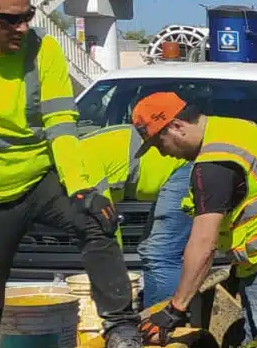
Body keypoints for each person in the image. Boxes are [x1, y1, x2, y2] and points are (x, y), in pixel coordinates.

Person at [0, 0, 146, 348]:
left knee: (96, 220)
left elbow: (61, 124)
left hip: (38, 179)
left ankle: (122, 332)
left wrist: (81, 188)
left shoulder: (42, 51)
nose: (23, 27)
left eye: (27, 15)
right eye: (11, 20)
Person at [131, 93, 257, 344]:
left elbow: (204, 242)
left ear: (177, 127)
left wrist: (175, 308)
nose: (163, 154)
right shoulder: (232, 127)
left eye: (160, 144)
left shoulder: (215, 164)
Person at [78, 124, 193, 308]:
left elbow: (106, 226)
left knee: (160, 254)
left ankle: (165, 324)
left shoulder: (80, 166)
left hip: (182, 167)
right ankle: (152, 316)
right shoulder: (74, 159)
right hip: (172, 173)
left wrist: (111, 279)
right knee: (152, 252)